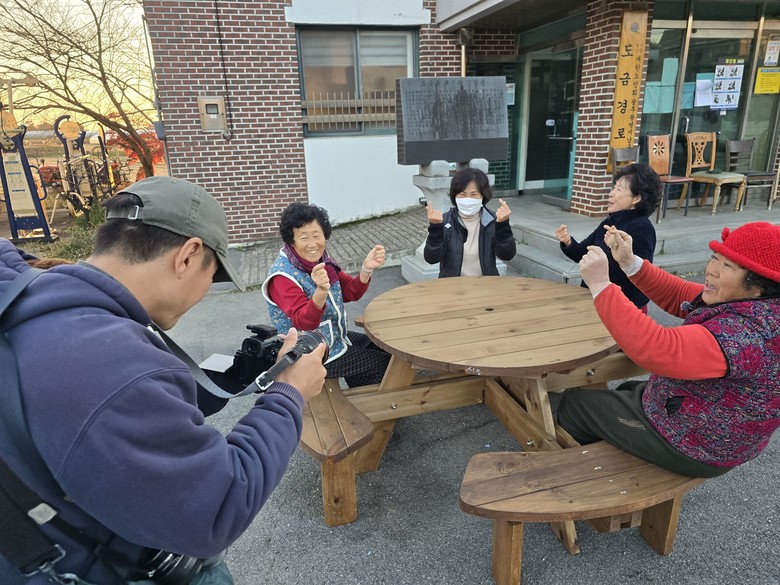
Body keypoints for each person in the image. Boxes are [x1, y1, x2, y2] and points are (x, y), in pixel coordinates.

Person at [0, 177, 327, 585]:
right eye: (214, 274)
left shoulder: (33, 294)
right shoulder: (112, 365)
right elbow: (219, 505)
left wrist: (239, 373)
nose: (206, 291)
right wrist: (288, 392)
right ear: (188, 256)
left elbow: (140, 403)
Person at [557, 221, 780, 478]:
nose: (712, 271)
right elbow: (681, 293)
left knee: (575, 405)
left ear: (759, 284)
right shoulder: (754, 304)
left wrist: (600, 285)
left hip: (697, 445)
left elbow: (659, 348)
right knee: (628, 389)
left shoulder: (748, 334)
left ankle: (584, 479)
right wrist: (630, 262)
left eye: (728, 266)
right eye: (714, 258)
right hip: (700, 419)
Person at [262, 202, 390, 387]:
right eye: (304, 237)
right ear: (291, 241)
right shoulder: (282, 277)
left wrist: (366, 269)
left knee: (383, 347)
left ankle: (359, 394)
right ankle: (372, 402)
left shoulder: (323, 261)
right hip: (307, 354)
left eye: (317, 235)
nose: (312, 244)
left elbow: (350, 292)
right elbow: (304, 322)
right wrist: (321, 291)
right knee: (382, 363)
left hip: (333, 339)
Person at [555, 163, 661, 312]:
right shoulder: (612, 221)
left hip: (623, 309)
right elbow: (582, 253)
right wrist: (568, 242)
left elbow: (639, 275)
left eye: (619, 189)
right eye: (614, 187)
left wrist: (609, 258)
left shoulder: (642, 228)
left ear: (636, 198)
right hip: (596, 300)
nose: (611, 193)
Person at [423, 167, 516, 277]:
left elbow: (507, 255)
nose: (468, 199)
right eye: (462, 194)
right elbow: (431, 258)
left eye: (474, 194)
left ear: (483, 196)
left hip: (486, 283)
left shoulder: (493, 220)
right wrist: (435, 228)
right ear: (455, 196)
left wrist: (503, 225)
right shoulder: (445, 221)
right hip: (452, 284)